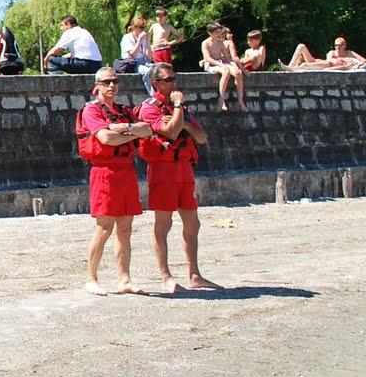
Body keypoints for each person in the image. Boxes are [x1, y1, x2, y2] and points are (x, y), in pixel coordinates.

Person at [137, 64, 220, 293]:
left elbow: (201, 137)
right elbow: (171, 133)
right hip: (162, 170)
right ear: (156, 83)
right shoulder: (150, 108)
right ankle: (166, 276)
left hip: (184, 169)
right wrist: (177, 113)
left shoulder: (180, 107)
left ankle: (194, 274)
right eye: (168, 80)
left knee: (193, 224)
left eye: (175, 78)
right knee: (164, 224)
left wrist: (180, 118)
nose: (174, 84)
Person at [76, 67, 153, 295]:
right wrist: (128, 133)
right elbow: (105, 138)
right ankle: (91, 278)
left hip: (126, 171)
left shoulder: (123, 111)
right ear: (97, 85)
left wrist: (126, 127)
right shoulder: (91, 110)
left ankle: (125, 279)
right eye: (107, 82)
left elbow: (147, 130)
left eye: (115, 82)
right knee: (104, 228)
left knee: (126, 228)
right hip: (105, 172)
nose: (112, 86)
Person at [200, 23, 246, 111]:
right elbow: (208, 58)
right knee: (226, 72)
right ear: (210, 33)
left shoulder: (220, 43)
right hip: (211, 64)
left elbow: (228, 58)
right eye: (217, 32)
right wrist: (221, 65)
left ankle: (240, 100)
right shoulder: (205, 43)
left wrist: (235, 67)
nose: (219, 34)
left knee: (238, 73)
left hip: (222, 62)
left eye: (219, 32)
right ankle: (221, 100)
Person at [283, 38, 366, 71]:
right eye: (336, 45)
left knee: (305, 64)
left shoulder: (349, 53)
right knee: (301, 46)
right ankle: (289, 66)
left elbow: (364, 60)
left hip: (325, 64)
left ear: (344, 45)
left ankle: (291, 68)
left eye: (340, 45)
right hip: (318, 61)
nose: (338, 47)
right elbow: (328, 62)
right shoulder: (332, 53)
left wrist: (359, 64)